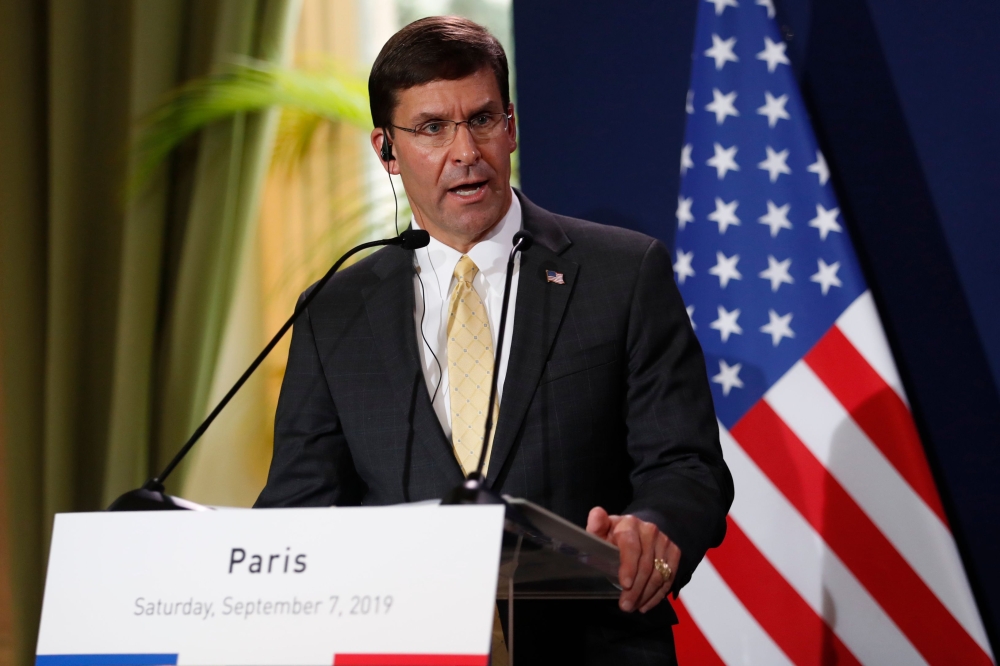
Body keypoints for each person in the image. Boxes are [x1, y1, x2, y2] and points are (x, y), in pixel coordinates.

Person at [256, 16, 733, 665]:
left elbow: (687, 466)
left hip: (589, 645)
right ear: (386, 150)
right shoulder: (334, 311)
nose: (465, 152)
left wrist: (652, 530)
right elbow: (298, 508)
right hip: (403, 648)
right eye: (431, 128)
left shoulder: (621, 273)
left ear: (510, 124)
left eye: (481, 119)